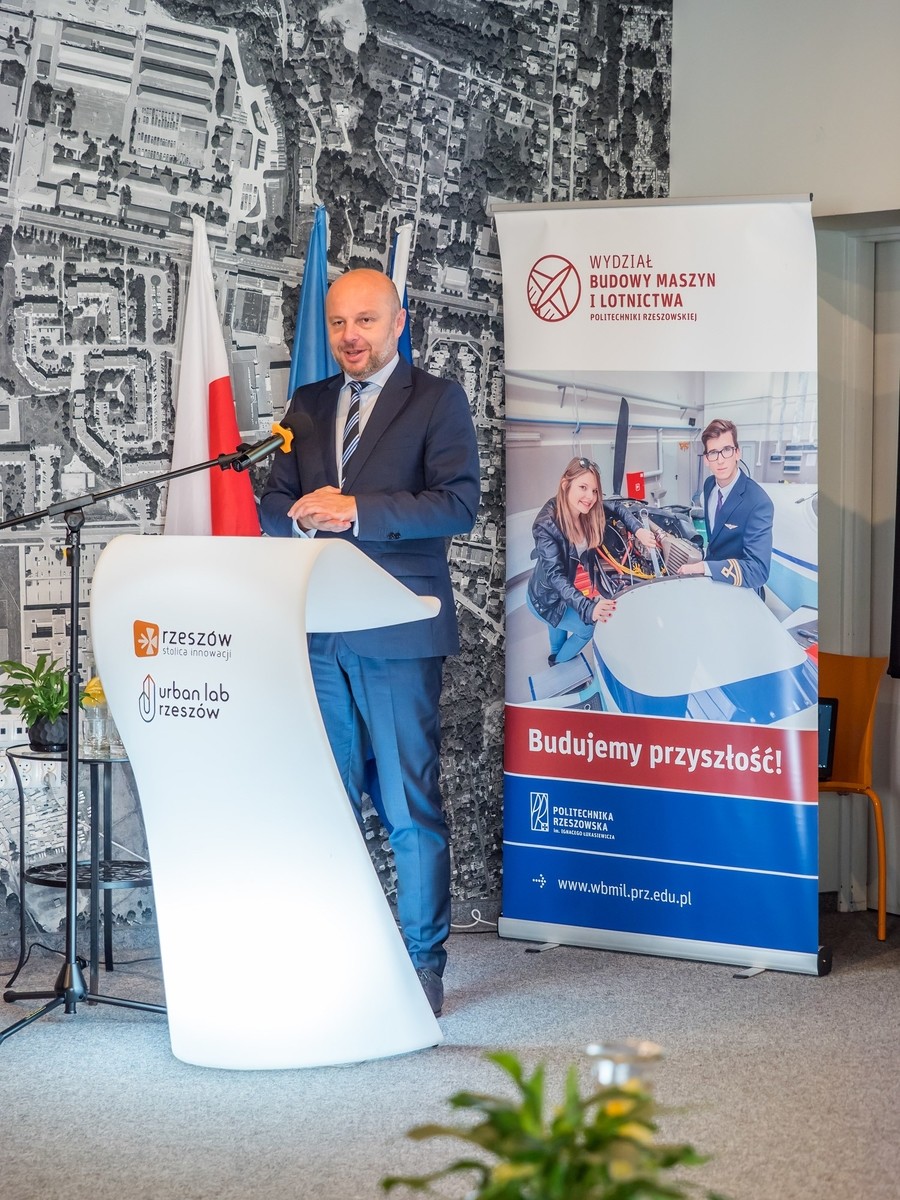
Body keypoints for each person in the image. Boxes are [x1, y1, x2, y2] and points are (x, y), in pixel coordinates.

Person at [259, 268, 480, 1017]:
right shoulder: (309, 403)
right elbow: (273, 503)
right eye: (338, 323)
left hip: (397, 630)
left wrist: (354, 511)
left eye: (365, 321)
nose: (350, 336)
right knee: (329, 802)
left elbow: (458, 504)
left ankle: (422, 965)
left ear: (397, 322)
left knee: (409, 805)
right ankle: (339, 953)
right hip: (319, 631)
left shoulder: (437, 400)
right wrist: (298, 518)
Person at [527, 457, 656, 665]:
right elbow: (555, 577)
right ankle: (558, 665)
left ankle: (556, 658)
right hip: (545, 600)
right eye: (583, 487)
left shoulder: (586, 510)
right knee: (586, 630)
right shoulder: (546, 524)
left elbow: (617, 508)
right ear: (565, 485)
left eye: (595, 491)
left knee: (557, 634)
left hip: (560, 594)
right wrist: (589, 608)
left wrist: (638, 530)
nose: (590, 497)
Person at [677, 418, 773, 591]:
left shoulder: (758, 503)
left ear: (737, 453)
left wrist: (705, 567)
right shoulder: (709, 485)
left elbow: (758, 570)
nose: (720, 460)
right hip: (712, 582)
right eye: (713, 453)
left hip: (740, 588)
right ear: (706, 459)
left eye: (727, 450)